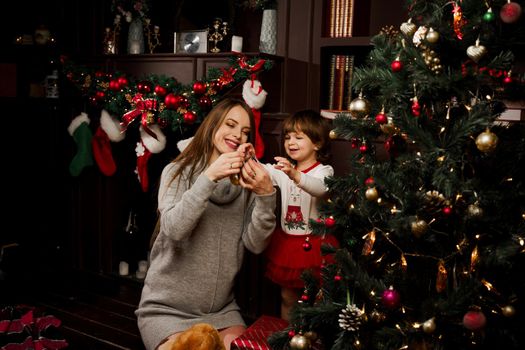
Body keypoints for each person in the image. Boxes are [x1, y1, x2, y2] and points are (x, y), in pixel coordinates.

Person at [135, 97, 277, 350]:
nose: (237, 135)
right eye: (230, 125)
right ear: (212, 126)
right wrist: (209, 177)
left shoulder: (247, 184)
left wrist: (266, 196)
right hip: (165, 310)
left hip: (221, 311)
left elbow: (256, 245)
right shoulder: (177, 171)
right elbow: (174, 229)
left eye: (245, 132)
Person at [262, 109, 337, 321]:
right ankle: (288, 334)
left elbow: (320, 188)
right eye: (287, 137)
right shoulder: (285, 169)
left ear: (317, 143)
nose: (290, 142)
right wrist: (248, 157)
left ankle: (314, 339)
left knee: (316, 297)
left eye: (298, 137)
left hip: (314, 245)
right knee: (287, 296)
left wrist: (294, 174)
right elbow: (265, 170)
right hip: (288, 245)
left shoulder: (324, 171)